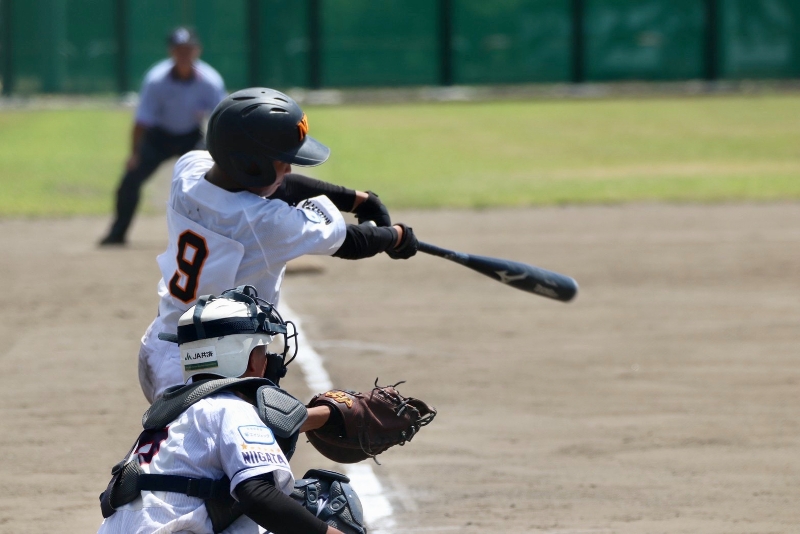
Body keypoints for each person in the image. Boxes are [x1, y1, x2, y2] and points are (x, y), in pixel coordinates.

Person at [137, 86, 418, 404]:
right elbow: (351, 242)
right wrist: (397, 236)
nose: (289, 168)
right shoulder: (264, 223)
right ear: (250, 165)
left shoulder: (188, 171)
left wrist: (358, 199)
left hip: (162, 343)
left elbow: (277, 185)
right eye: (283, 160)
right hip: (204, 370)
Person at [97, 286, 363, 534]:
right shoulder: (231, 408)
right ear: (248, 358)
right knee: (320, 503)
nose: (269, 359)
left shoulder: (174, 413)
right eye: (262, 350)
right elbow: (258, 495)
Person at [99, 27, 227, 246]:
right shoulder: (156, 80)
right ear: (171, 51)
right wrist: (134, 154)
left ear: (197, 50)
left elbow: (222, 119)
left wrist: (221, 156)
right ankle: (117, 233)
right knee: (130, 181)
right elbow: (142, 121)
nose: (184, 54)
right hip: (158, 137)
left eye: (188, 49)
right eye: (179, 50)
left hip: (191, 136)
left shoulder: (210, 81)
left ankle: (214, 234)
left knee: (213, 182)